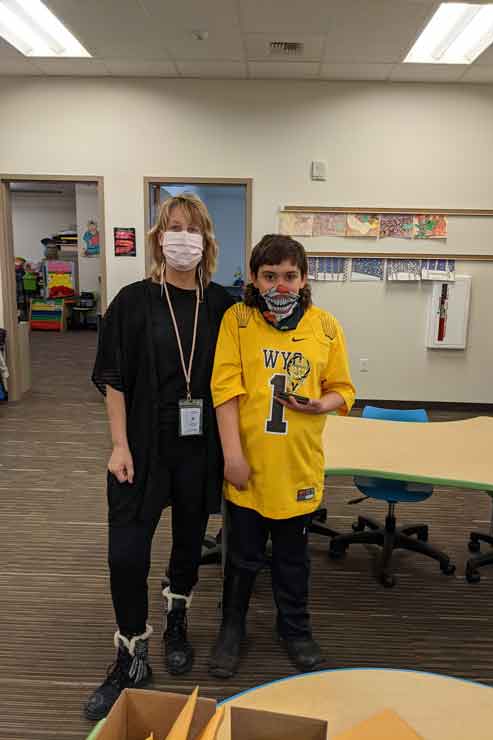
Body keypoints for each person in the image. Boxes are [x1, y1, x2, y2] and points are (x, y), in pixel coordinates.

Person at [84, 194, 234, 720]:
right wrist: (119, 444)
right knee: (126, 555)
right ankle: (130, 653)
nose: (182, 239)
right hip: (142, 447)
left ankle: (176, 621)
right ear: (158, 238)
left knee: (189, 545)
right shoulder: (133, 301)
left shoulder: (224, 307)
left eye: (192, 230)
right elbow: (113, 379)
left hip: (200, 449)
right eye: (173, 228)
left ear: (206, 241)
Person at [208, 234, 355, 678]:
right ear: (254, 278)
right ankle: (232, 627)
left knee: (293, 559)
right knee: (241, 558)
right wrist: (232, 456)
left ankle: (294, 628)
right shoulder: (238, 321)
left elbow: (343, 389)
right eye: (270, 276)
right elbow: (224, 391)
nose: (281, 286)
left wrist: (320, 404)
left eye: (290, 276)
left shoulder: (325, 326)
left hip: (298, 465)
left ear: (304, 279)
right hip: (250, 466)